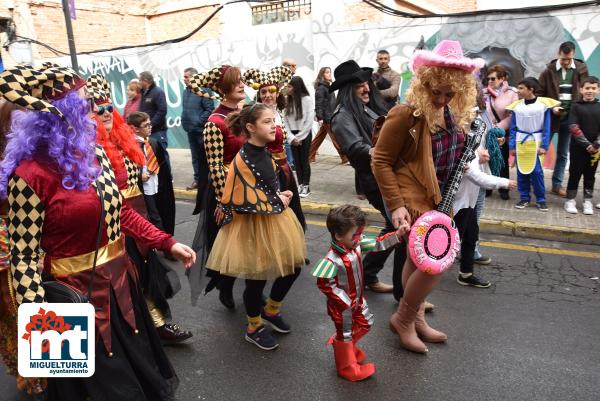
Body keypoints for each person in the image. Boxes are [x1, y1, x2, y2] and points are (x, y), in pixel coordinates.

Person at [0, 64, 195, 400]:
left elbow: (120, 213)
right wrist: (40, 328)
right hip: (71, 299)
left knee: (137, 376)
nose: (92, 110)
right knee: (94, 389)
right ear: (64, 113)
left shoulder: (97, 156)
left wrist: (166, 242)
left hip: (121, 286)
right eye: (83, 103)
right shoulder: (29, 175)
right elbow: (25, 256)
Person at [372, 40, 484, 353]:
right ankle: (404, 319)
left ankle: (414, 316)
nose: (441, 99)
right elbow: (380, 160)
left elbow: (454, 154)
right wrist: (395, 207)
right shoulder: (404, 114)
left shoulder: (453, 114)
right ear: (423, 84)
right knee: (435, 261)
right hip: (409, 193)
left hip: (440, 197)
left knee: (417, 257)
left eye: (450, 94)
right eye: (436, 91)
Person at [86, 74, 189, 344]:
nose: (106, 113)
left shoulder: (124, 140)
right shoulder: (87, 151)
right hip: (110, 230)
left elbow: (145, 182)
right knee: (122, 285)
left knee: (144, 275)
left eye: (109, 107)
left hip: (135, 216)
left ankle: (154, 327)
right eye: (99, 110)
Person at [205, 103, 306, 350]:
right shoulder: (243, 160)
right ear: (250, 127)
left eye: (274, 120)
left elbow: (264, 187)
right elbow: (242, 199)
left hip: (274, 220)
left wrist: (278, 194)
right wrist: (279, 200)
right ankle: (253, 326)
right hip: (253, 224)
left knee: (292, 268)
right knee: (257, 278)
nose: (274, 125)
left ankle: (271, 309)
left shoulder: (264, 151)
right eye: (267, 122)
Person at [312, 205, 406, 381]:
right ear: (339, 236)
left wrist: (397, 235)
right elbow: (325, 284)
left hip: (357, 299)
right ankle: (347, 367)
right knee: (346, 333)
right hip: (342, 307)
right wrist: (345, 303)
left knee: (365, 323)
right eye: (355, 235)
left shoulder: (356, 245)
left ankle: (343, 346)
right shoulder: (331, 260)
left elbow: (378, 244)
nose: (360, 237)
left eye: (361, 233)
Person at [329, 60, 398, 295]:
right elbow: (357, 148)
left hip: (390, 175)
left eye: (366, 83)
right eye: (359, 85)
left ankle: (369, 274)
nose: (366, 88)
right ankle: (375, 276)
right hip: (374, 180)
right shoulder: (342, 116)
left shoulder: (370, 107)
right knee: (397, 228)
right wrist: (389, 152)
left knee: (395, 226)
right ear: (348, 89)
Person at [188, 65, 246, 308]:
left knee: (249, 241)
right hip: (227, 190)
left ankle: (250, 287)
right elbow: (214, 167)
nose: (242, 84)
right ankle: (226, 286)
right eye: (236, 82)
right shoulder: (214, 122)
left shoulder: (244, 115)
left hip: (247, 187)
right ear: (223, 90)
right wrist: (226, 202)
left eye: (242, 80)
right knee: (230, 244)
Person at [244, 65, 306, 231]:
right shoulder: (253, 113)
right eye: (263, 92)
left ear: (278, 92)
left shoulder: (278, 112)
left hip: (283, 166)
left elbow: (283, 138)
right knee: (276, 213)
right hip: (268, 169)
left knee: (290, 209)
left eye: (271, 91)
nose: (267, 95)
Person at [454, 146, 517, 288]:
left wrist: (478, 154)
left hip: (469, 201)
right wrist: (504, 182)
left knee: (471, 237)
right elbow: (477, 177)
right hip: (459, 203)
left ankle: (466, 274)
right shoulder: (463, 148)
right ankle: (428, 271)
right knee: (452, 240)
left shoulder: (472, 145)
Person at [538, 41, 589, 197]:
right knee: (541, 150)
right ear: (558, 54)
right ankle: (536, 182)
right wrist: (551, 107)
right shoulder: (548, 71)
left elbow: (584, 91)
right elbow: (539, 94)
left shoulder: (581, 69)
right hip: (551, 118)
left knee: (562, 154)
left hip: (570, 118)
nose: (566, 62)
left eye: (568, 59)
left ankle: (557, 185)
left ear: (573, 55)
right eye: (563, 59)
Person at [507, 77, 561, 212]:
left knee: (537, 173)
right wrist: (512, 146)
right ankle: (524, 197)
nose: (518, 91)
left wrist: (544, 146)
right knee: (522, 172)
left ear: (531, 89)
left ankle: (541, 199)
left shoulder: (543, 105)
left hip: (536, 143)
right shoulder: (517, 107)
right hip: (521, 142)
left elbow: (547, 128)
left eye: (521, 88)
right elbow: (513, 127)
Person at [128, 111, 178, 232]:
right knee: (153, 217)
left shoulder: (153, 143)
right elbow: (125, 170)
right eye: (146, 125)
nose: (150, 127)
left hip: (157, 186)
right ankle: (161, 245)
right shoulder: (130, 146)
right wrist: (139, 176)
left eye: (150, 124)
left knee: (161, 212)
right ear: (135, 129)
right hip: (143, 190)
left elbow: (163, 164)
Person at [564, 76, 600, 215]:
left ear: (598, 90)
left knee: (590, 175)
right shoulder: (575, 106)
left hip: (595, 150)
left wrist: (596, 144)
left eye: (593, 88)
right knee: (575, 173)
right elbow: (573, 126)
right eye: (587, 88)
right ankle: (570, 200)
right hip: (578, 148)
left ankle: (588, 201)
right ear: (581, 89)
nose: (589, 91)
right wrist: (587, 145)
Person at [483, 64, 519, 200]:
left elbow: (512, 115)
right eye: (488, 79)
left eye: (493, 79)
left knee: (502, 160)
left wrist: (498, 128)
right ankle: (488, 187)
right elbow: (480, 111)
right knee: (487, 159)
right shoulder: (484, 92)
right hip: (486, 131)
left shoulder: (512, 93)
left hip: (501, 132)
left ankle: (504, 188)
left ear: (502, 78)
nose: (490, 82)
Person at [182, 67, 215, 191]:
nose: (184, 79)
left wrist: (198, 122)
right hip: (190, 130)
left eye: (186, 77)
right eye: (184, 77)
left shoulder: (205, 90)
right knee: (195, 157)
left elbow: (209, 110)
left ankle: (208, 182)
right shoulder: (186, 92)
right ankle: (197, 180)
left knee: (205, 157)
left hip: (201, 131)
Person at [284, 76, 315, 198]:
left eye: (290, 86)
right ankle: (300, 184)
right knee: (296, 162)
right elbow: (285, 120)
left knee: (304, 160)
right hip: (292, 134)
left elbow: (309, 120)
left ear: (296, 87)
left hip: (304, 134)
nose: (288, 88)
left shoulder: (307, 99)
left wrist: (300, 137)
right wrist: (291, 138)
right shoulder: (287, 100)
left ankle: (306, 185)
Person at [309, 66, 347, 163]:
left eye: (330, 72)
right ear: (322, 75)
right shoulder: (321, 88)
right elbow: (319, 104)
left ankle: (309, 156)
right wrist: (320, 117)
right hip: (327, 117)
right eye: (327, 72)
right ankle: (345, 158)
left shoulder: (328, 87)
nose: (329, 74)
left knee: (319, 137)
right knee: (336, 138)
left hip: (330, 116)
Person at [139, 70, 169, 149]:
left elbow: (162, 111)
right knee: (152, 156)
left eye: (140, 80)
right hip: (148, 131)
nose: (139, 82)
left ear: (145, 81)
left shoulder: (158, 92)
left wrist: (150, 124)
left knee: (161, 156)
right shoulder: (143, 93)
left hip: (158, 131)